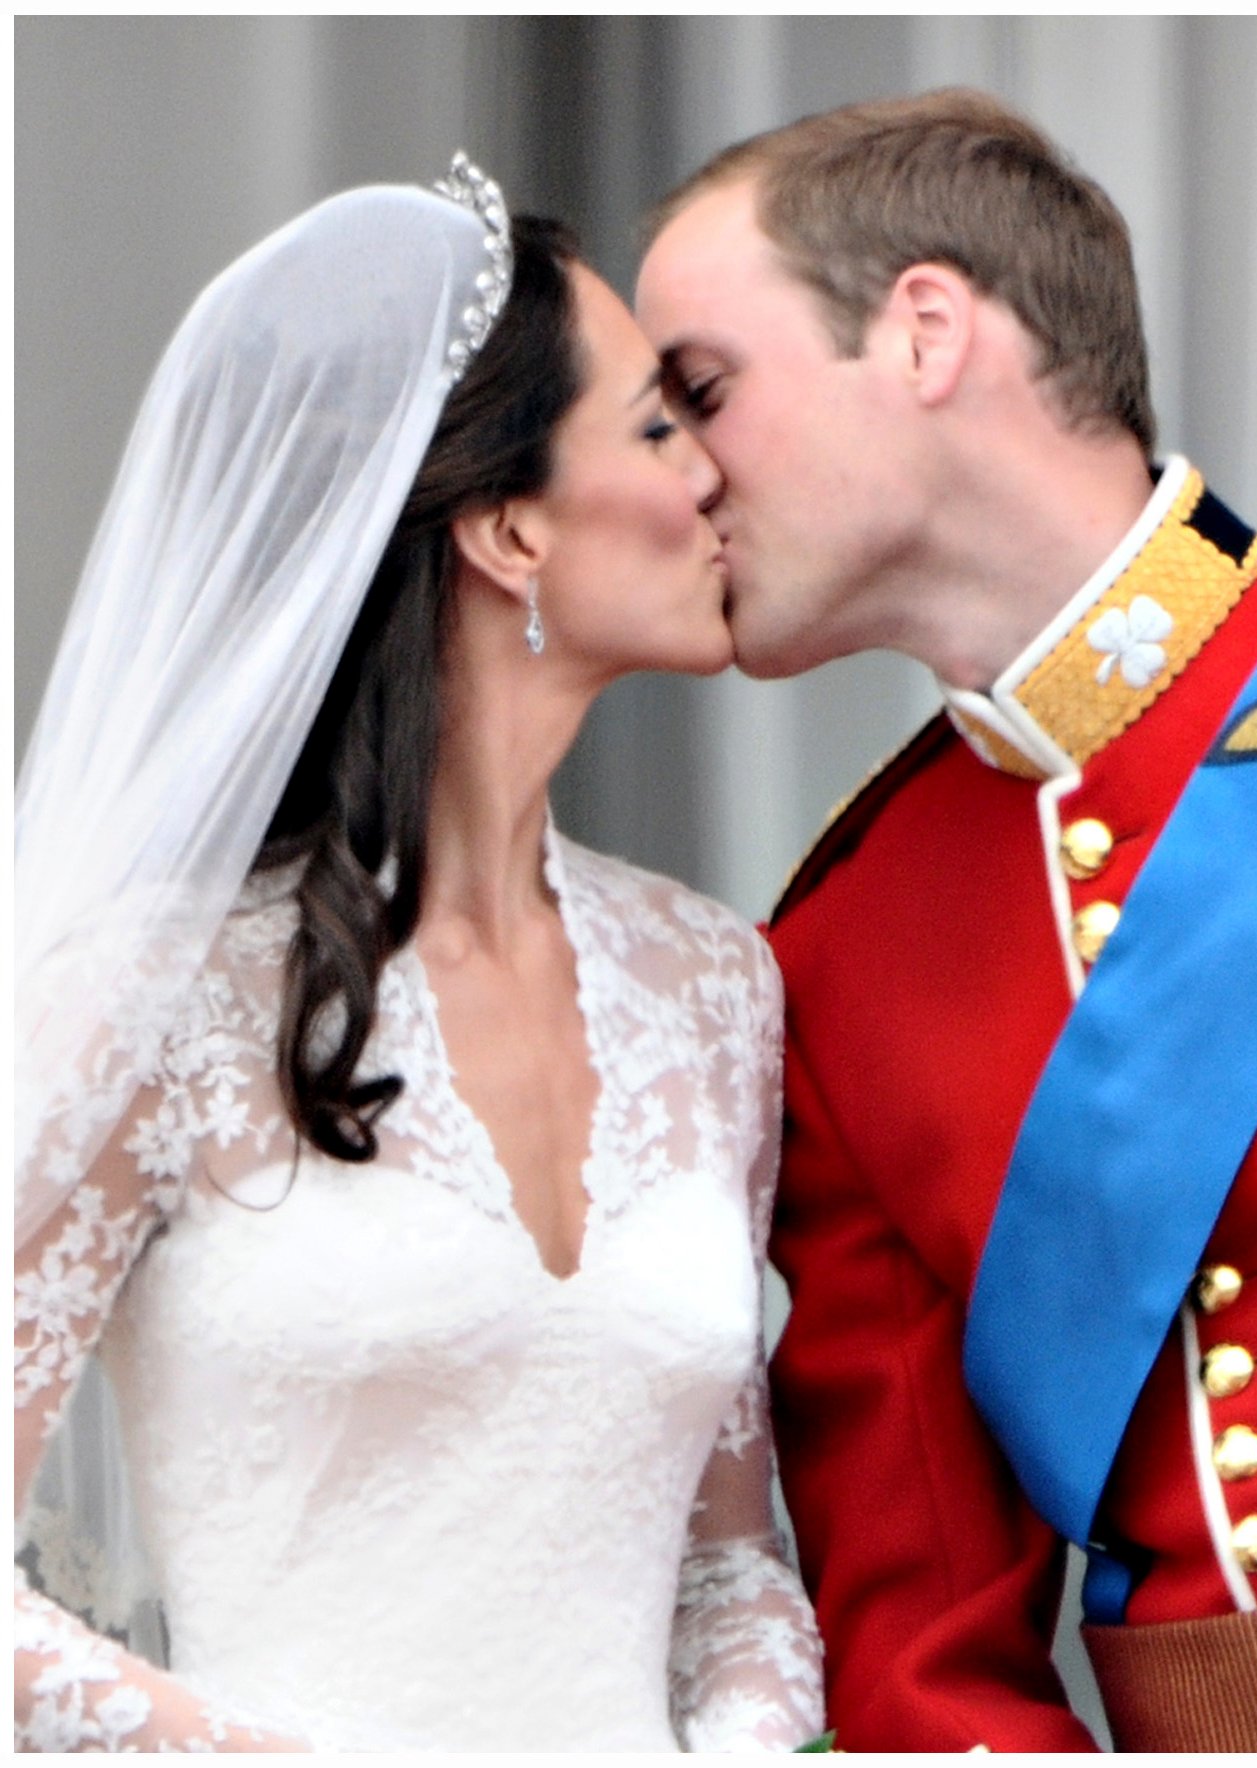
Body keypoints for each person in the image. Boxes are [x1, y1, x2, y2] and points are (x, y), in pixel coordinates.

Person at [634, 89, 1257, 1752]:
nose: (677, 479)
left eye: (702, 391)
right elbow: (922, 1648)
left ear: (925, 331)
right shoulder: (843, 946)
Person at [12, 161, 824, 1749]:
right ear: (511, 527)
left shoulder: (718, 989)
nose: (716, 477)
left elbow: (730, 1570)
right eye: (661, 428)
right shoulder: (152, 994)